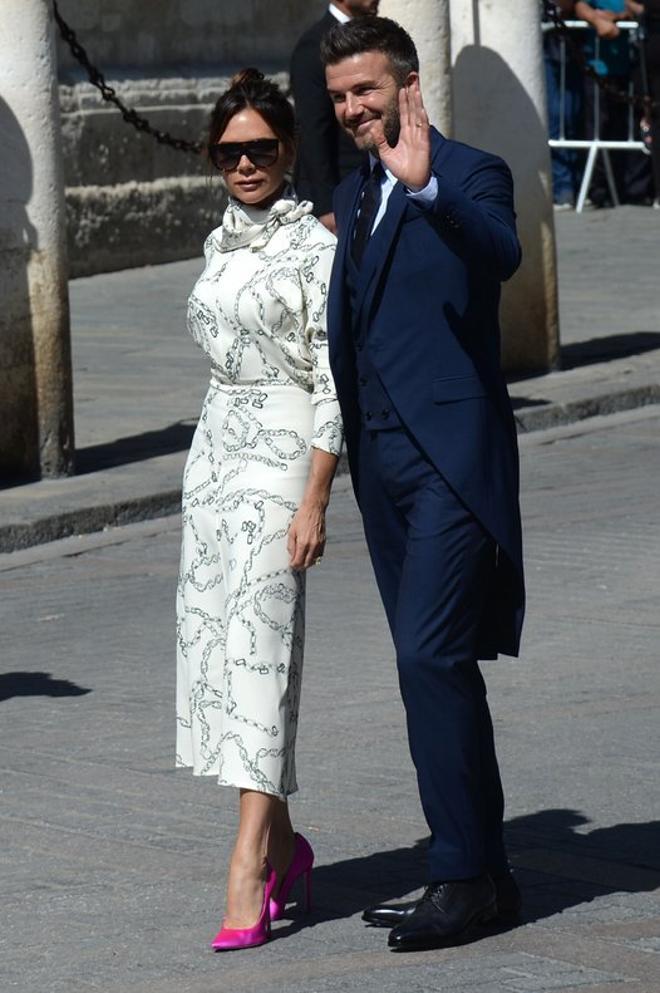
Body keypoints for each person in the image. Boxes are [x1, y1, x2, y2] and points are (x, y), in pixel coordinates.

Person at [320, 17, 525, 951]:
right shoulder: (352, 191)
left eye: (365, 89)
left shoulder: (471, 172)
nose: (352, 108)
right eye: (338, 96)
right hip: (384, 466)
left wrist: (427, 185)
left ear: (407, 85)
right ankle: (482, 869)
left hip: (450, 457)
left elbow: (498, 252)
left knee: (425, 657)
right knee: (436, 671)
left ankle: (456, 871)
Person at [176, 68, 343, 951]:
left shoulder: (315, 250)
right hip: (213, 464)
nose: (246, 164)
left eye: (263, 150)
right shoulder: (218, 243)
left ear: (288, 152)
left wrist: (315, 497)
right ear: (214, 157)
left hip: (282, 466)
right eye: (231, 151)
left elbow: (331, 381)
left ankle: (248, 862)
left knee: (261, 654)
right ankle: (288, 846)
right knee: (219, 655)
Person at [290, 1, 379, 233]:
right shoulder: (314, 45)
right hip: (339, 192)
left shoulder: (374, 38)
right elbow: (312, 129)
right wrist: (327, 205)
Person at [576, 0, 652, 203]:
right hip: (598, 66)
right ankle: (599, 189)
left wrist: (621, 15)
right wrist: (596, 18)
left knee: (632, 128)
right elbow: (579, 5)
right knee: (598, 128)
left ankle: (634, 190)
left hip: (634, 65)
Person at [543, 1, 584, 208]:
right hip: (551, 47)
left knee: (569, 118)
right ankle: (563, 187)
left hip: (571, 47)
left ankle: (572, 186)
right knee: (556, 119)